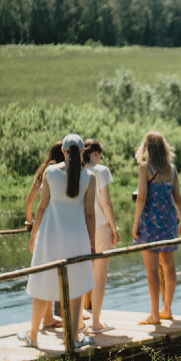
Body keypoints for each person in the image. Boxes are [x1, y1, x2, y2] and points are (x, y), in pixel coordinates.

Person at [19, 133, 97, 349]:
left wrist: (34, 234)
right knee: (77, 286)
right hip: (78, 238)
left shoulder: (50, 173)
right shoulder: (89, 178)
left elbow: (42, 207)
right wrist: (92, 244)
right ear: (82, 152)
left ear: (63, 151)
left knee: (42, 283)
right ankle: (72, 339)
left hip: (50, 236)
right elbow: (90, 215)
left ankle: (33, 335)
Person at [132, 131, 181, 325]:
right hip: (169, 220)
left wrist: (136, 222)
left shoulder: (145, 167)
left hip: (151, 221)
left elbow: (142, 197)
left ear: (147, 148)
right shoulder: (171, 169)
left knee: (152, 271)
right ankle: (167, 309)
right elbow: (177, 197)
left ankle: (155, 313)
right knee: (170, 266)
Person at [82, 138, 120, 332]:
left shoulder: (78, 171)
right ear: (95, 153)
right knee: (99, 277)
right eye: (100, 154)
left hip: (81, 228)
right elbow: (106, 202)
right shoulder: (101, 171)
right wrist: (114, 228)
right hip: (101, 227)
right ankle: (96, 322)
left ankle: (79, 320)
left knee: (81, 273)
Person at [25, 141, 64, 329]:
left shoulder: (42, 173)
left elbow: (29, 201)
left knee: (45, 270)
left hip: (41, 226)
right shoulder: (59, 172)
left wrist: (30, 222)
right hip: (55, 225)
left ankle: (47, 316)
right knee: (53, 271)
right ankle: (48, 317)